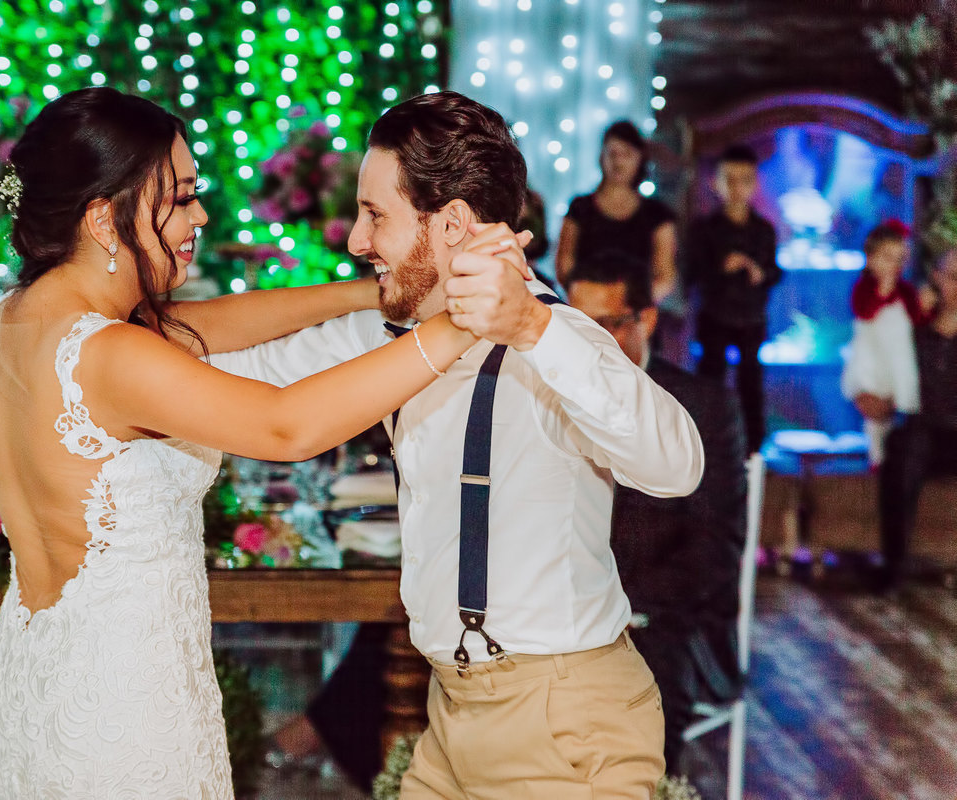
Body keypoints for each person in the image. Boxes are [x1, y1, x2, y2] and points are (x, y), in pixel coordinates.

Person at [0, 87, 499, 799]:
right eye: (181, 198)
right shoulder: (111, 355)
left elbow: (207, 323)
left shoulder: (12, 320)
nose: (200, 217)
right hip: (122, 713)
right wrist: (459, 323)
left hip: (32, 687)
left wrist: (369, 294)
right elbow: (286, 426)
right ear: (103, 217)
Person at [212, 91, 704, 799]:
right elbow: (232, 378)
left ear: (449, 225)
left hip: (566, 723)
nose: (355, 239)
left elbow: (678, 464)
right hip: (450, 717)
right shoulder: (385, 337)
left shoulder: (560, 338)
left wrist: (534, 328)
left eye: (376, 214)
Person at [566, 250, 746, 775]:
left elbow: (714, 549)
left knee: (630, 730)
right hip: (564, 618)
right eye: (576, 325)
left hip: (663, 621)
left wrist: (624, 611)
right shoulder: (549, 394)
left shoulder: (705, 407)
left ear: (645, 319)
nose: (588, 343)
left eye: (606, 325)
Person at [686, 143, 782, 455]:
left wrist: (759, 273)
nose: (737, 187)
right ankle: (706, 444)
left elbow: (774, 271)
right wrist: (721, 268)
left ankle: (753, 448)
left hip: (752, 318)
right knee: (711, 381)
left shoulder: (764, 230)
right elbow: (693, 274)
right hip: (715, 317)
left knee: (751, 383)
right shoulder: (704, 230)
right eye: (730, 178)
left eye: (745, 179)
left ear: (755, 184)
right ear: (715, 182)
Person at [876, 247, 957, 593]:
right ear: (936, 279)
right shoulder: (915, 328)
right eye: (952, 276)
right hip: (924, 429)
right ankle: (894, 567)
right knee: (906, 448)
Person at [555, 120, 677, 302]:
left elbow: (665, 276)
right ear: (601, 157)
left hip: (635, 314)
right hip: (587, 309)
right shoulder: (580, 208)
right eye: (612, 153)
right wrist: (589, 299)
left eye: (627, 154)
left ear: (640, 158)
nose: (618, 161)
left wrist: (628, 305)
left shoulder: (657, 214)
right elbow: (564, 264)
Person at [841, 220, 929, 467]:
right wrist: (884, 290)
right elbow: (865, 311)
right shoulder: (864, 289)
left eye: (900, 259)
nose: (895, 265)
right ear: (870, 259)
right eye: (888, 258)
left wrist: (927, 307)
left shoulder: (906, 291)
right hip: (872, 359)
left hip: (898, 359)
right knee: (875, 417)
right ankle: (876, 456)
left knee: (898, 410)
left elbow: (917, 318)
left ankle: (896, 456)